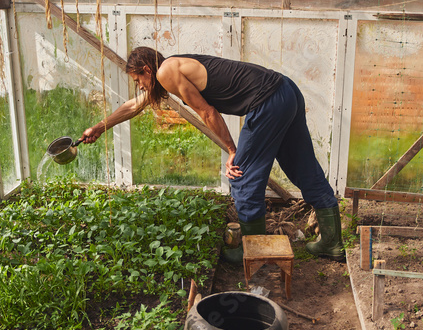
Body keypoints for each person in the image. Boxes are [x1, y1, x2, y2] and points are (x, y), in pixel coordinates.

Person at [81, 47, 345, 261]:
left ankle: (254, 252)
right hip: (286, 91)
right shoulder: (174, 66)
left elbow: (207, 112)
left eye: (138, 80)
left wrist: (232, 150)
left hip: (268, 101)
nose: (139, 86)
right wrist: (100, 127)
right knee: (302, 166)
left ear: (147, 70)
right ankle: (332, 243)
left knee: (241, 177)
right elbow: (134, 106)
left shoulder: (166, 71)